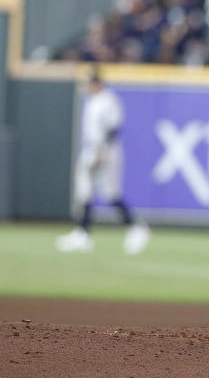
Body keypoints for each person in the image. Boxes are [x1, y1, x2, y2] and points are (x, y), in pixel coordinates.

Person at [55, 70, 150, 255]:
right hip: (90, 149)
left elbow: (113, 128)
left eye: (90, 83)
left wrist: (102, 150)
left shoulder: (108, 100)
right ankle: (83, 234)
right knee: (84, 191)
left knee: (110, 193)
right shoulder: (93, 101)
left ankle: (136, 227)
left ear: (97, 83)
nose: (88, 87)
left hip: (105, 151)